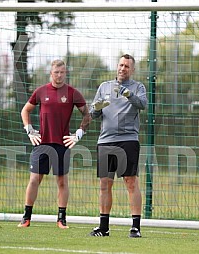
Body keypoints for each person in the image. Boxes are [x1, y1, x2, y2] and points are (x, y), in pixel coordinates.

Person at [18, 59, 90, 229]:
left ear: (66, 73)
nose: (59, 75)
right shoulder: (41, 91)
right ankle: (26, 217)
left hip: (62, 145)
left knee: (62, 181)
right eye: (56, 72)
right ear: (51, 73)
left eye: (62, 72)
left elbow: (87, 114)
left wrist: (79, 134)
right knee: (35, 179)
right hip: (42, 143)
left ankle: (61, 219)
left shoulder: (72, 93)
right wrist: (29, 130)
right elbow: (25, 110)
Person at [89, 54, 147, 237]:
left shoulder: (138, 87)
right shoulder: (104, 87)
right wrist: (96, 108)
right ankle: (104, 227)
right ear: (117, 66)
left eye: (127, 66)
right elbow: (93, 114)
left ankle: (135, 227)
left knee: (131, 182)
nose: (123, 69)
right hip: (106, 141)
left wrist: (128, 94)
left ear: (132, 70)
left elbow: (143, 104)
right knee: (105, 184)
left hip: (128, 140)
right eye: (121, 65)